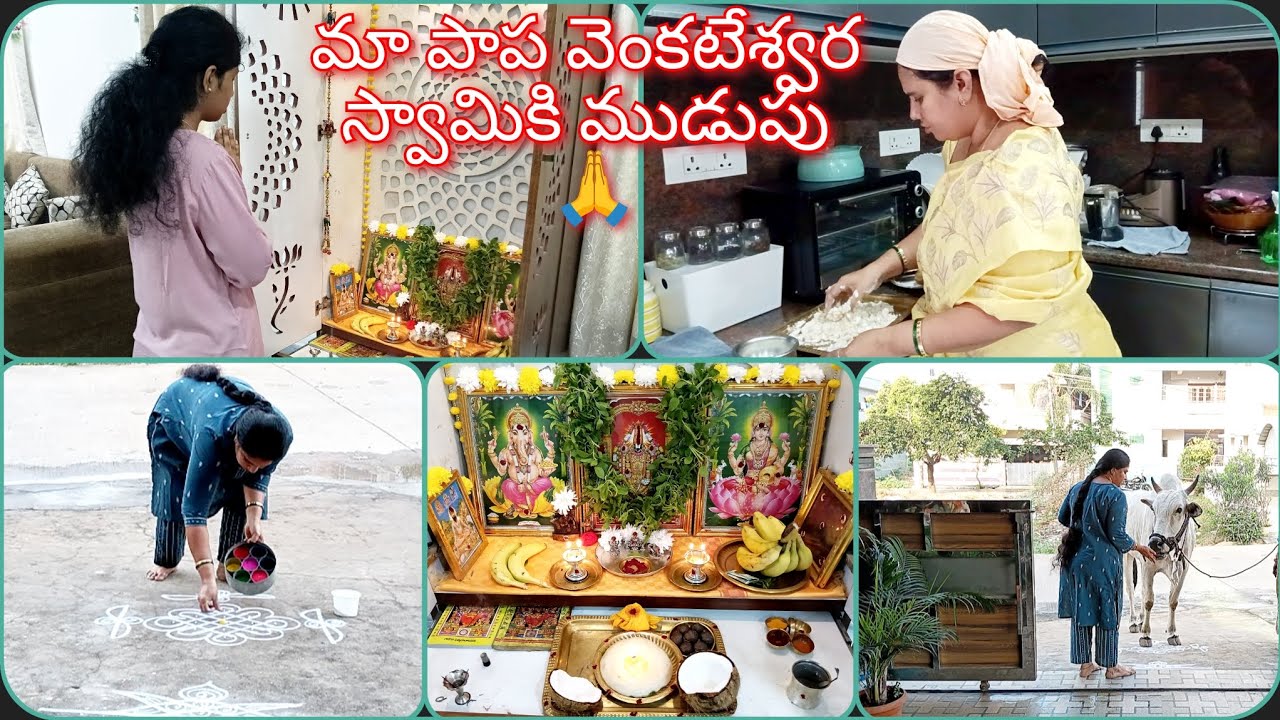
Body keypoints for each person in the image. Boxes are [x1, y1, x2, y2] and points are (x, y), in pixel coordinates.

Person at [825, 10, 1119, 358]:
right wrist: (874, 272)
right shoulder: (961, 145)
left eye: (918, 97)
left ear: (962, 83)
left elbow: (1017, 310)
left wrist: (889, 340)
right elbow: (947, 227)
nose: (913, 114)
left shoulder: (1024, 163)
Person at [75, 6, 272, 357]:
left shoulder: (138, 149)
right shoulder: (206, 161)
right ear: (210, 78)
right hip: (216, 356)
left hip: (153, 346)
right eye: (232, 80)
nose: (230, 94)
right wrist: (232, 176)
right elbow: (251, 265)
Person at [146, 365, 293, 613]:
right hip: (175, 421)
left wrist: (254, 516)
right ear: (236, 440)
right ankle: (167, 560)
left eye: (261, 465)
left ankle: (228, 562)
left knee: (240, 489)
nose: (254, 470)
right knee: (177, 492)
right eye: (248, 460)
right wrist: (206, 579)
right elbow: (194, 512)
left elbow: (259, 475)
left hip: (218, 424)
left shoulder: (279, 434)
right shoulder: (210, 436)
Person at [1054, 449, 1158, 679]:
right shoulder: (1115, 495)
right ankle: (1111, 666)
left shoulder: (1078, 488)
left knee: (1082, 613)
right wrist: (1139, 547)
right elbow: (1118, 537)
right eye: (1124, 472)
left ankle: (1086, 665)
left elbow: (1063, 517)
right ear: (1112, 471)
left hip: (1076, 562)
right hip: (1103, 564)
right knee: (1107, 612)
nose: (1125, 478)